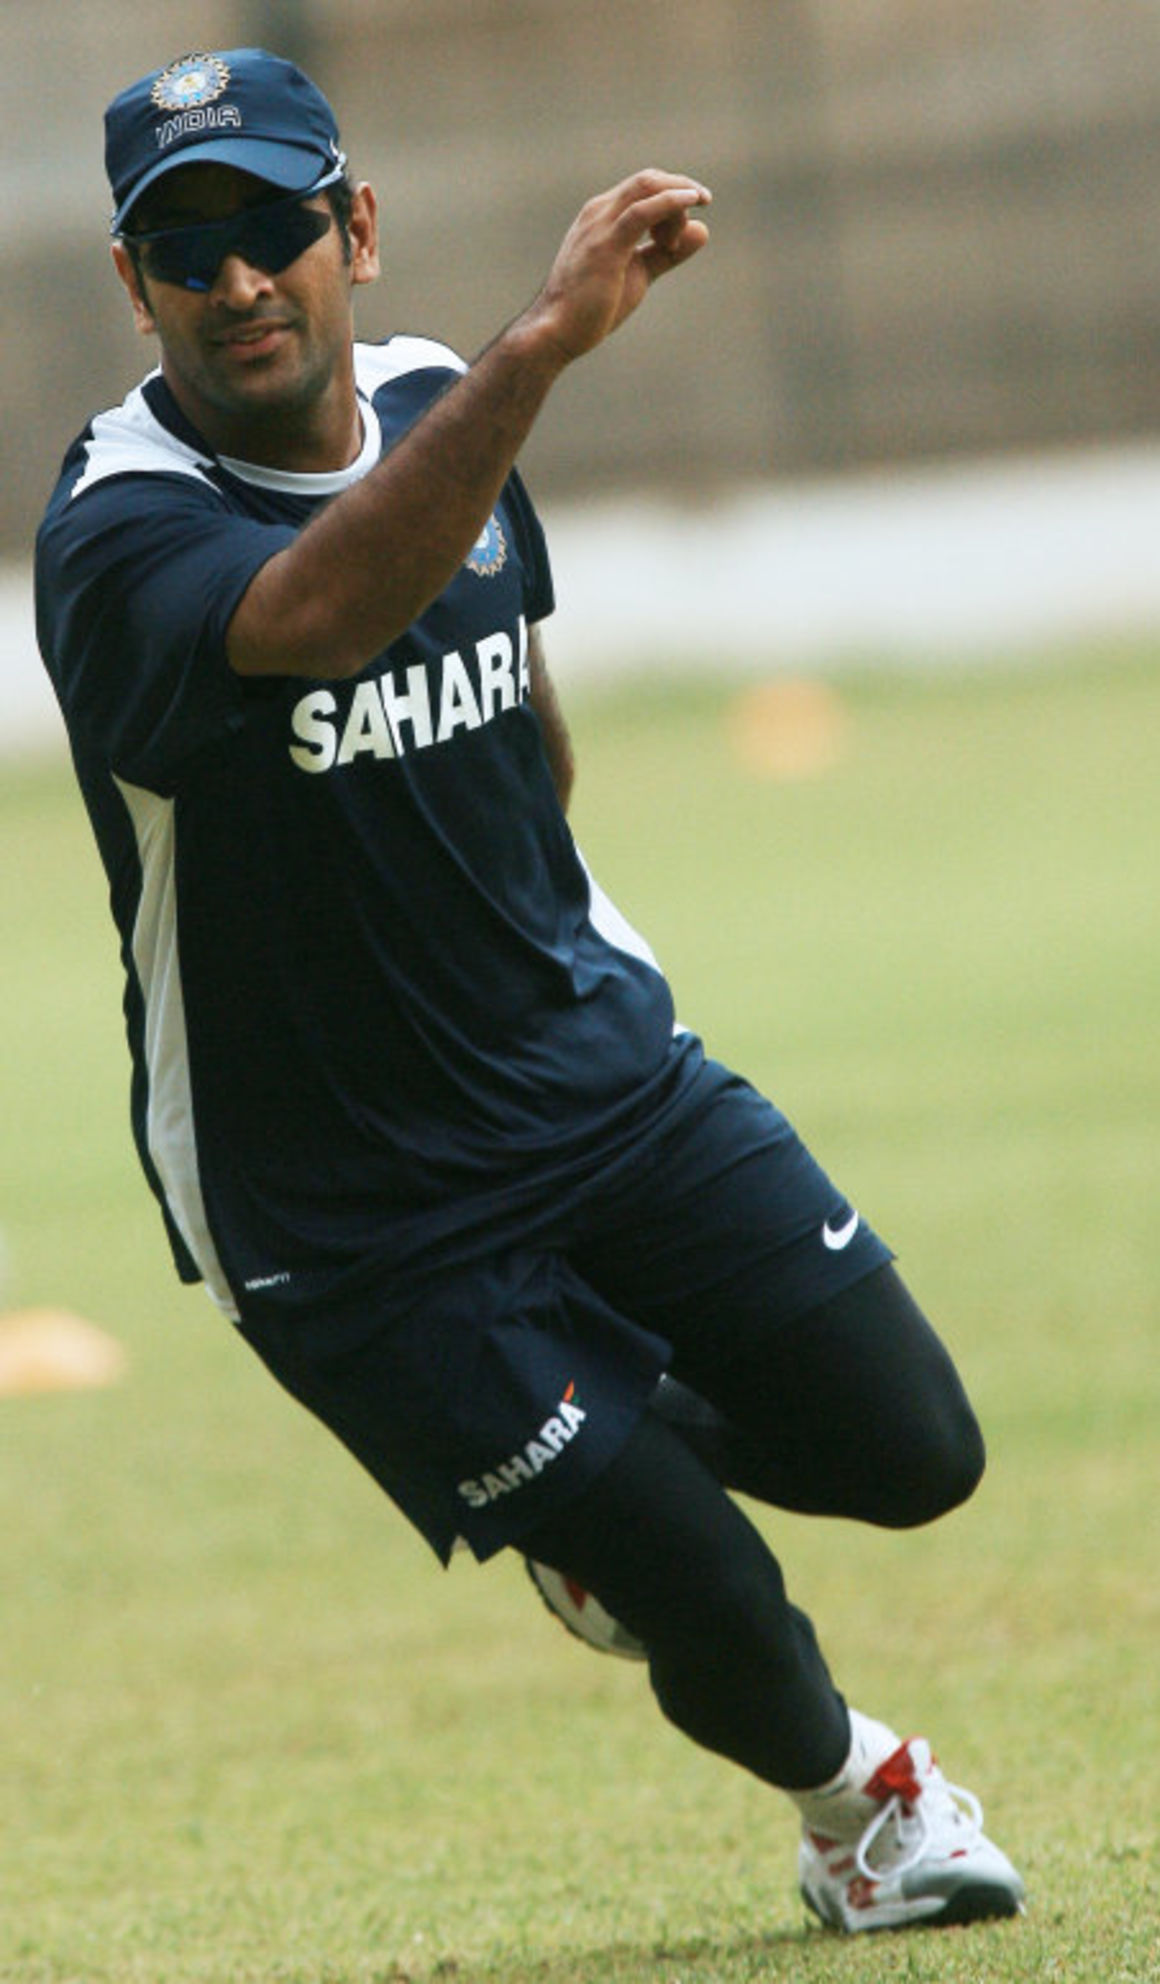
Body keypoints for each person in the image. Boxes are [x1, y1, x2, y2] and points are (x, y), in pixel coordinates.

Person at [36, 49, 1026, 1937]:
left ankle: (599, 1489)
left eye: (272, 227)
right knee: (701, 1577)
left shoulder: (437, 414)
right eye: (187, 250)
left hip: (602, 1084)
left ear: (357, 228)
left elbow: (525, 722)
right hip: (350, 1209)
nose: (239, 280)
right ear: (134, 288)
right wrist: (544, 349)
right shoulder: (115, 526)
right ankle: (863, 1812)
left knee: (915, 1450)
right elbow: (320, 613)